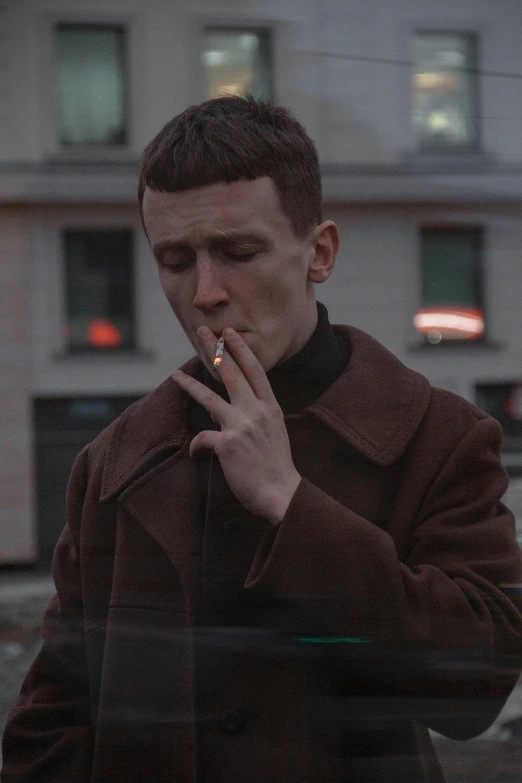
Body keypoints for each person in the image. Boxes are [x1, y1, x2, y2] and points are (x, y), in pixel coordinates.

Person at [2, 95, 522, 783]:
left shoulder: (437, 437)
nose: (206, 291)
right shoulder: (115, 462)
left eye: (238, 252)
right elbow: (52, 724)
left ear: (321, 252)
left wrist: (291, 503)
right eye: (175, 260)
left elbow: (473, 688)